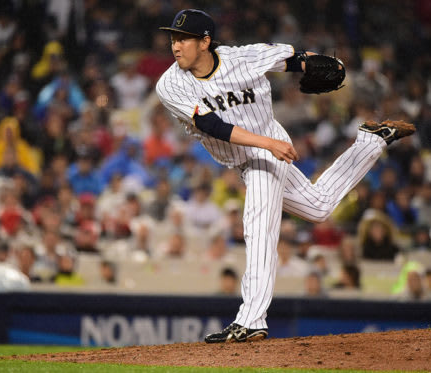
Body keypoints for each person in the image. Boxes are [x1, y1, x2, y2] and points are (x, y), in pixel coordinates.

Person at [156, 9, 415, 343]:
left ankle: (250, 319)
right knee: (319, 207)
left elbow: (292, 57)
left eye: (184, 38)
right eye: (173, 38)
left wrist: (311, 62)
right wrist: (268, 143)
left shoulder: (243, 58)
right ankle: (370, 141)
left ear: (205, 41)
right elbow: (210, 125)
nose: (176, 45)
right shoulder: (170, 84)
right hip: (259, 148)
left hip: (267, 150)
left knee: (258, 222)